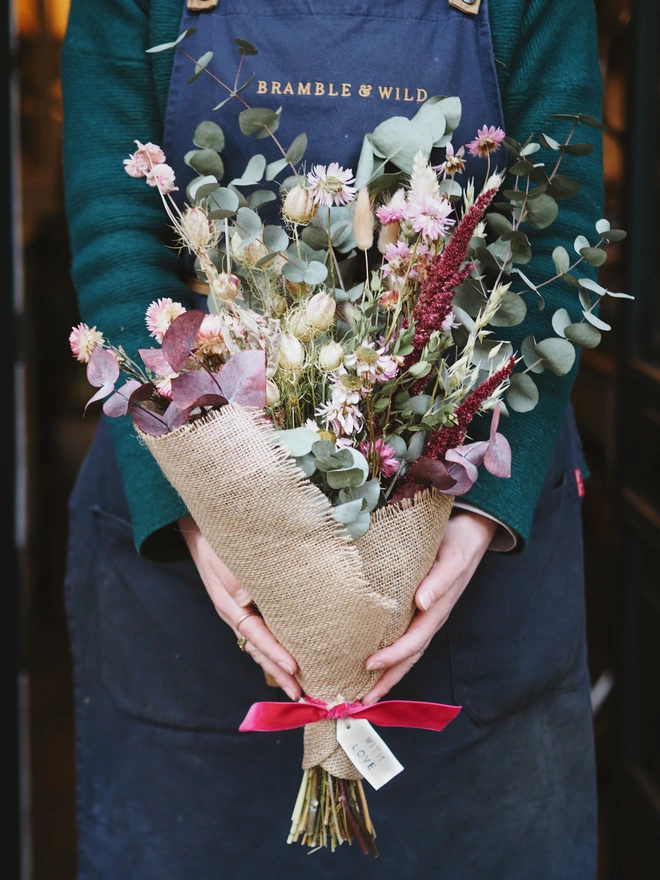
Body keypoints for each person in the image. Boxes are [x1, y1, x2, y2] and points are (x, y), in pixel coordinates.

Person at [60, 0, 604, 877]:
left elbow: (555, 236)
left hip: (463, 573)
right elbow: (117, 234)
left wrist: (476, 517)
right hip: (197, 579)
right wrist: (209, 506)